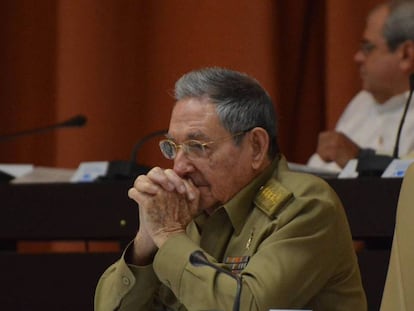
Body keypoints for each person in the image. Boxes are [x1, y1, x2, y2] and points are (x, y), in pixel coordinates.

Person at [94, 67, 367, 311]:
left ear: (256, 147)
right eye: (172, 148)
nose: (178, 167)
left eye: (197, 147)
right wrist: (146, 241)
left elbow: (247, 306)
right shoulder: (185, 208)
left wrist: (168, 235)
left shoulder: (306, 207)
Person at [307, 0, 414, 172]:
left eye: (368, 48)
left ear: (406, 55)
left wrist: (358, 160)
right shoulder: (361, 103)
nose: (358, 57)